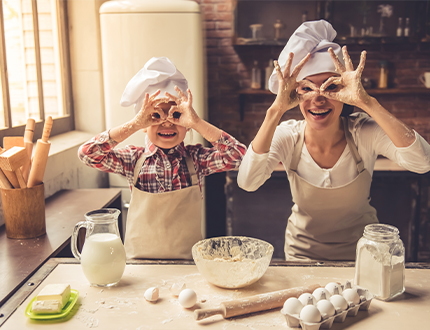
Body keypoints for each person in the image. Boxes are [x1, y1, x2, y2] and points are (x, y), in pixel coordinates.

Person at [237, 20, 430, 261]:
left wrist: (367, 102)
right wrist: (275, 110)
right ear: (294, 95)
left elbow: (423, 162)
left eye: (331, 87)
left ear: (345, 92)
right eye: (307, 88)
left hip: (364, 256)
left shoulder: (363, 132)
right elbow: (247, 182)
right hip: (301, 256)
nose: (318, 99)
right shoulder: (288, 136)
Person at [79, 57, 246, 259]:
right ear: (144, 123)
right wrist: (133, 124)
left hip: (187, 264)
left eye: (176, 116)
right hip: (139, 266)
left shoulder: (197, 159)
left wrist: (197, 122)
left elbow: (239, 156)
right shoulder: (133, 159)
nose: (167, 124)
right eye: (156, 117)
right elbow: (88, 153)